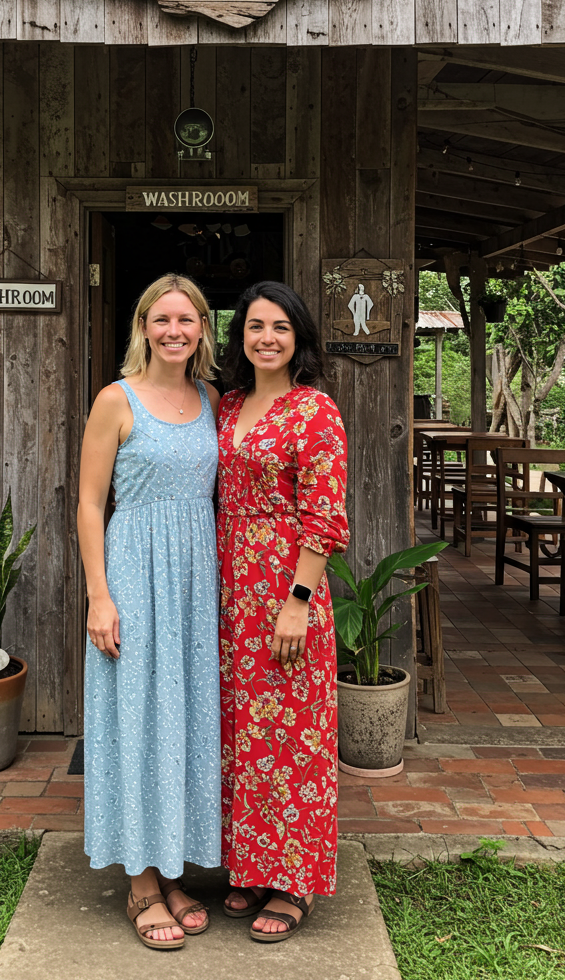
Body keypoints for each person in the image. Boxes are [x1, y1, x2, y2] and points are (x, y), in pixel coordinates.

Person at [77, 273, 222, 951]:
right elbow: (87, 502)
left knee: (184, 719)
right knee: (135, 718)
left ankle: (171, 868)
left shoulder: (211, 398)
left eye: (186, 319)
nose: (174, 331)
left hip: (195, 581)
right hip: (134, 573)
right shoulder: (116, 400)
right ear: (142, 327)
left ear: (202, 329)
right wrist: (98, 595)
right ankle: (138, 880)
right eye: (161, 319)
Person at [215, 280, 349, 943]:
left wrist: (297, 601)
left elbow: (324, 518)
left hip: (285, 590)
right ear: (240, 335)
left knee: (292, 733)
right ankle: (250, 862)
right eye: (254, 326)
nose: (266, 337)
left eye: (280, 328)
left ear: (299, 339)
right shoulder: (227, 405)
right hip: (228, 591)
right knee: (241, 732)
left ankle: (293, 880)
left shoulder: (314, 410)